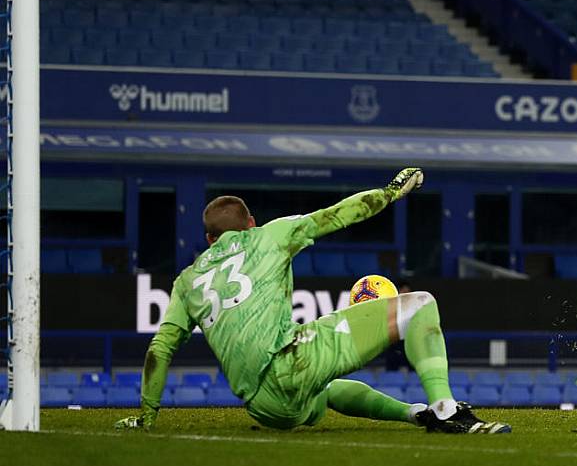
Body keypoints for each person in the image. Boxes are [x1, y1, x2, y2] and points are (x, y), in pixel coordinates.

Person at [114, 168, 511, 434]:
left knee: (327, 389)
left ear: (207, 240)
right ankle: (444, 409)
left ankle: (414, 414)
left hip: (265, 408)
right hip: (291, 363)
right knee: (420, 304)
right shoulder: (270, 234)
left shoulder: (187, 281)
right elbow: (338, 214)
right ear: (250, 224)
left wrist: (147, 415)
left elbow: (159, 351)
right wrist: (388, 194)